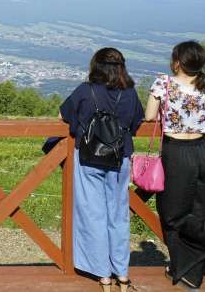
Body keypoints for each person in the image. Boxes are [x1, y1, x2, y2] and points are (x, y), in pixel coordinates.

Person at [145, 40, 205, 290]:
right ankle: (189, 274)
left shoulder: (164, 82)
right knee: (199, 212)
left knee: (172, 215)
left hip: (177, 153)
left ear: (177, 61)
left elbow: (149, 116)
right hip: (203, 152)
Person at [60, 47, 145, 291]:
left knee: (92, 214)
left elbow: (63, 115)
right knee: (118, 216)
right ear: (121, 67)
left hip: (88, 157)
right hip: (120, 158)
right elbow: (136, 122)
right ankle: (122, 274)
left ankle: (102, 274)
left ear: (95, 66)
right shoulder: (129, 93)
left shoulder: (85, 91)